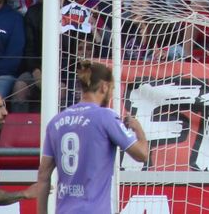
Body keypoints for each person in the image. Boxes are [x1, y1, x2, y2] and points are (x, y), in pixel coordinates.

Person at [35, 61, 148, 213]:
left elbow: (43, 176)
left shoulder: (56, 122)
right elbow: (142, 155)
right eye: (112, 88)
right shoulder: (105, 117)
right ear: (104, 86)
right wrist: (138, 128)